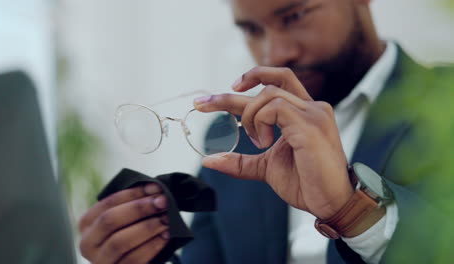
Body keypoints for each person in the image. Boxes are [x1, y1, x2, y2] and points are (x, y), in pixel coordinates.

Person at [79, 0, 454, 263]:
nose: (275, 53)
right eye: (252, 30)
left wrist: (351, 210)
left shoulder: (446, 104)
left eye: (294, 16)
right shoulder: (233, 136)